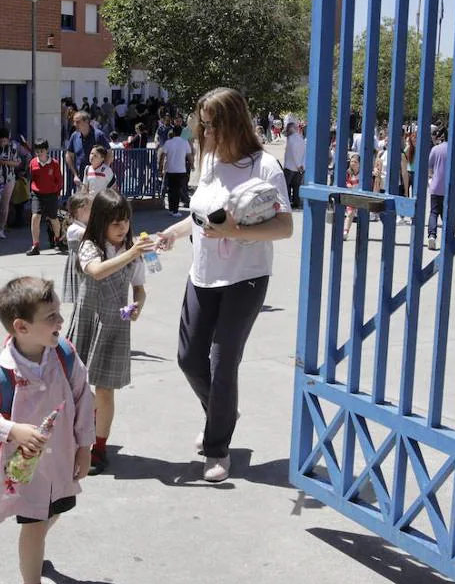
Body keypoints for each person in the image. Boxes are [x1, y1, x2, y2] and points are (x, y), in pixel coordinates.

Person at [155, 87, 292, 483]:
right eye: (202, 123)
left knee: (221, 362)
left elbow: (284, 227)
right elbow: (201, 216)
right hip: (202, 274)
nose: (203, 131)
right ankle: (222, 412)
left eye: (210, 124)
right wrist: (174, 233)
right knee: (188, 358)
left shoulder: (264, 166)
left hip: (244, 279)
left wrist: (236, 231)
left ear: (231, 122)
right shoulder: (210, 160)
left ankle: (217, 448)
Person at [0, 276, 95, 584]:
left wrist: (86, 447)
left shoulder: (64, 354)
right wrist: (12, 430)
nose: (60, 321)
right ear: (21, 327)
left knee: (54, 510)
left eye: (58, 313)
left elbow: (84, 398)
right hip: (24, 469)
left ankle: (34, 552)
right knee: (35, 522)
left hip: (62, 459)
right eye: (51, 317)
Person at [67, 189, 152, 475]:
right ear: (101, 221)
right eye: (115, 223)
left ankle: (99, 448)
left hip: (115, 324)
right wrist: (131, 253)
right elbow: (97, 271)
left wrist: (137, 305)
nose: (122, 228)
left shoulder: (135, 251)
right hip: (89, 319)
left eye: (126, 221)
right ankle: (77, 435)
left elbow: (139, 289)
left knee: (105, 391)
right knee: (76, 387)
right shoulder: (88, 244)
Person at [426, 127, 455, 251]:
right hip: (451, 188)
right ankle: (448, 239)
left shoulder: (435, 149)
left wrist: (432, 179)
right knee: (448, 214)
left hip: (436, 186)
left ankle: (432, 236)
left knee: (434, 212)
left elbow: (430, 169)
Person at [26, 140, 65, 256]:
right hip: (37, 194)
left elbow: (59, 180)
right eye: (37, 151)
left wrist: (57, 192)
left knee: (53, 218)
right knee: (35, 217)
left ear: (47, 150)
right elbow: (31, 178)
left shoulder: (54, 163)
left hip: (51, 194)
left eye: (41, 150)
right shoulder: (33, 163)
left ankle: (57, 240)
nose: (39, 153)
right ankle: (35, 245)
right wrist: (31, 191)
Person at [60, 191, 92, 306]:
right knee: (82, 296)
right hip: (79, 265)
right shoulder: (74, 228)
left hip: (86, 262)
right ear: (80, 210)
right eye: (91, 208)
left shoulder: (85, 225)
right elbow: (92, 236)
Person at [64, 111, 109, 190]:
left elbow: (109, 154)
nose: (74, 124)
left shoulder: (99, 135)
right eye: (74, 121)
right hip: (81, 182)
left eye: (77, 122)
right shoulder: (74, 136)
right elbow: (68, 155)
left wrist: (102, 172)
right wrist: (75, 175)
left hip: (97, 181)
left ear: (87, 122)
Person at [159, 127, 193, 217]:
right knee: (177, 190)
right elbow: (189, 155)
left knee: (171, 190)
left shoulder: (168, 142)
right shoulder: (185, 142)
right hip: (181, 169)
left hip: (170, 170)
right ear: (181, 133)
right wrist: (192, 165)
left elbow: (162, 156)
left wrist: (160, 167)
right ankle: (175, 210)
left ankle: (171, 209)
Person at [283, 122, 306, 210]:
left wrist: (298, 164)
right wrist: (302, 165)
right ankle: (296, 202)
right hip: (299, 167)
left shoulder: (292, 138)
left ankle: (287, 202)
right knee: (296, 186)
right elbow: (304, 152)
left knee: (287, 185)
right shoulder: (300, 138)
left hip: (290, 166)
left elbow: (294, 152)